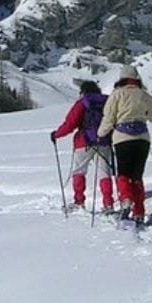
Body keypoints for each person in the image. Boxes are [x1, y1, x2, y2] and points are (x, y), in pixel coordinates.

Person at [96, 64, 152, 225]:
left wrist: (100, 134)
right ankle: (139, 210)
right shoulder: (144, 95)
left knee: (123, 173)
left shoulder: (116, 95)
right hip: (142, 139)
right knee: (137, 175)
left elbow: (108, 118)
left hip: (122, 138)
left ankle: (125, 198)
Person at [50, 81, 115, 213]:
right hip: (104, 141)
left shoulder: (82, 103)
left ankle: (79, 201)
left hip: (84, 142)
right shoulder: (107, 101)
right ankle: (108, 203)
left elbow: (70, 124)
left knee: (79, 171)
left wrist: (56, 135)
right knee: (104, 172)